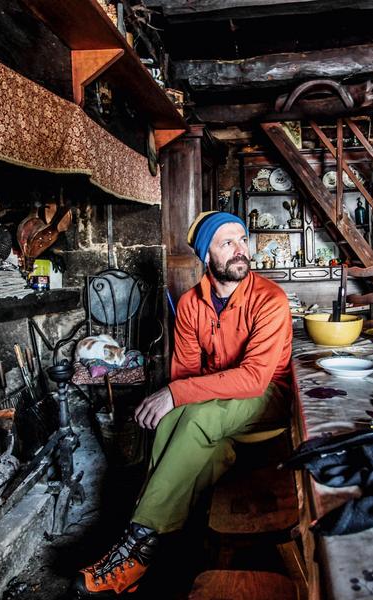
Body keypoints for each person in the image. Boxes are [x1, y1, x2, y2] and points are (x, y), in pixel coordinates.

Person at [74, 211, 293, 598]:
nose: (241, 250)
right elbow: (186, 372)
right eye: (228, 243)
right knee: (178, 422)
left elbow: (254, 379)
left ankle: (137, 541)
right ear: (206, 256)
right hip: (217, 399)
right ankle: (163, 542)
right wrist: (176, 397)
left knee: (194, 416)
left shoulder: (269, 299)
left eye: (243, 240)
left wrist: (175, 394)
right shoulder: (192, 303)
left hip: (268, 395)